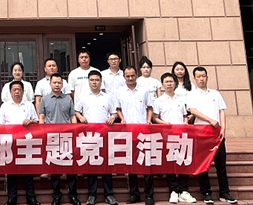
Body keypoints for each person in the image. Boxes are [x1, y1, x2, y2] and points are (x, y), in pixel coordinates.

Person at [187, 67, 237, 205]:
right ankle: (206, 193)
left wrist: (223, 128)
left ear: (207, 77)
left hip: (217, 134)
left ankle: (224, 192)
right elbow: (192, 110)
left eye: (203, 76)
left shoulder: (215, 93)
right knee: (203, 165)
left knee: (221, 164)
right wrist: (209, 120)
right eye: (198, 76)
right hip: (201, 133)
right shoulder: (192, 94)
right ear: (194, 79)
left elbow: (222, 111)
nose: (201, 79)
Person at [151, 73, 196, 205]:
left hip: (181, 135)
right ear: (162, 84)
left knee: (182, 162)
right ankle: (173, 190)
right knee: (170, 163)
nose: (169, 84)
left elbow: (184, 116)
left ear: (175, 83)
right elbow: (155, 118)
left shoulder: (180, 100)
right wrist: (164, 123)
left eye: (171, 81)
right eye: (166, 82)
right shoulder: (158, 101)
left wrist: (185, 122)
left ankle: (184, 191)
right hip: (167, 136)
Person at [75, 70, 117, 205]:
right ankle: (92, 195)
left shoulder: (107, 97)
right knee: (91, 167)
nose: (94, 82)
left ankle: (109, 195)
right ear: (88, 81)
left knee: (106, 167)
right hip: (89, 136)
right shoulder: (83, 96)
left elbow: (114, 112)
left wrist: (112, 117)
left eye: (97, 80)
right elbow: (77, 111)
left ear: (101, 82)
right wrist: (81, 117)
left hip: (104, 136)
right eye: (92, 80)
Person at [0, 81, 40, 205]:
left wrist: (30, 122)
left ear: (23, 91)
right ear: (10, 92)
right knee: (11, 172)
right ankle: (12, 198)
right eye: (14, 90)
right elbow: (0, 124)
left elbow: (37, 121)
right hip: (10, 143)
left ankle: (31, 198)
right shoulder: (5, 106)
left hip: (26, 142)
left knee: (27, 171)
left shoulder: (29, 105)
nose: (17, 92)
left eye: (19, 90)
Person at [39, 74, 79, 205]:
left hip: (67, 137)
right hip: (52, 138)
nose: (57, 85)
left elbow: (73, 117)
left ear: (62, 84)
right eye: (54, 82)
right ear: (50, 84)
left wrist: (74, 132)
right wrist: (42, 133)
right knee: (54, 169)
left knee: (70, 168)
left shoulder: (68, 99)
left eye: (59, 83)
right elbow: (42, 117)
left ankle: (72, 195)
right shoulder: (45, 99)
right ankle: (56, 196)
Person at [116, 66, 154, 205]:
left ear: (136, 75)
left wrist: (148, 120)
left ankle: (149, 195)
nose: (130, 78)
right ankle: (134, 194)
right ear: (124, 77)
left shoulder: (144, 90)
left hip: (143, 131)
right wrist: (122, 118)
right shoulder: (120, 91)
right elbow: (118, 108)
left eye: (132, 76)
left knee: (146, 164)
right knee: (131, 165)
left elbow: (150, 107)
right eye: (127, 76)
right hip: (128, 132)